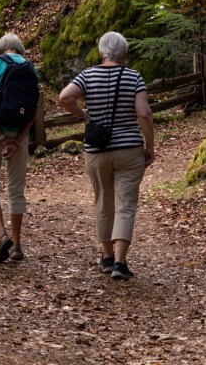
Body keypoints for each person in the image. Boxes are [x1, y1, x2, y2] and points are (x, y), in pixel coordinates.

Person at [59, 30, 155, 280]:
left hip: (97, 151)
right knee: (126, 205)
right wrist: (150, 146)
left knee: (103, 201)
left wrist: (85, 116)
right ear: (124, 54)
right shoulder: (134, 77)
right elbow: (144, 113)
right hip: (129, 150)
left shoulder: (87, 75)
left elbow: (65, 97)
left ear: (102, 53)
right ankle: (120, 263)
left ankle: (107, 257)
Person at [0, 33, 36, 264]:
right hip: (19, 132)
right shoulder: (30, 68)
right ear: (19, 49)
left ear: (0, 49)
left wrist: (1, 138)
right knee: (16, 188)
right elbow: (32, 111)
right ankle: (18, 245)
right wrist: (17, 139)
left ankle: (2, 235)